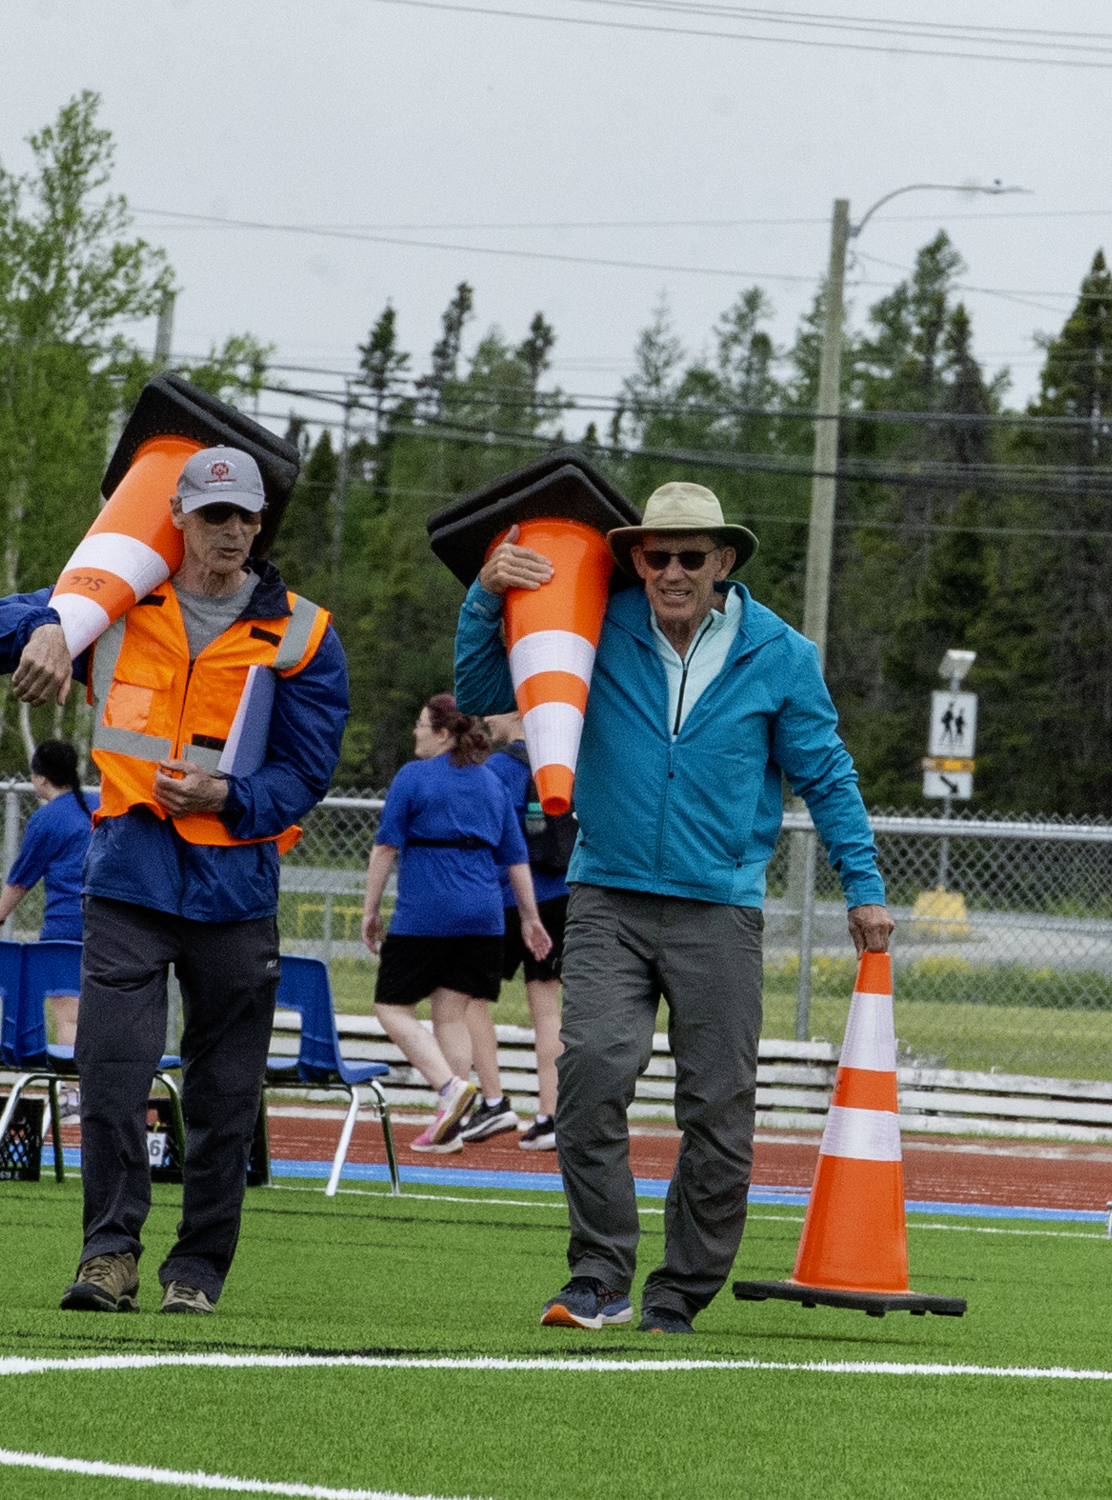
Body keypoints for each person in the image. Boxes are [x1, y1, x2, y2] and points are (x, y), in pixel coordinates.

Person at [457, 481, 891, 1335]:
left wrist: (865, 887)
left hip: (719, 910)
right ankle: (598, 1274)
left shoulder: (781, 654)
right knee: (590, 1074)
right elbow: (480, 686)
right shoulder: (593, 620)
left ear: (724, 560)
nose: (673, 571)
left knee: (720, 1110)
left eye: (693, 555)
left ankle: (679, 1292)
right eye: (657, 555)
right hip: (609, 892)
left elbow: (829, 779)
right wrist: (487, 594)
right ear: (637, 559)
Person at [0, 446, 348, 1316]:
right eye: (215, 516)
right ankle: (109, 1257)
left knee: (222, 1096)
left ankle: (197, 1273)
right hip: (129, 882)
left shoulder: (306, 634)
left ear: (260, 525)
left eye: (246, 517)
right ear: (176, 519)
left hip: (236, 891)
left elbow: (307, 773)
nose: (233, 532)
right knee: (110, 1076)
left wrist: (228, 794)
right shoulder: (118, 602)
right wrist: (55, 623)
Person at [361, 694, 551, 1153]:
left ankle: (449, 1089)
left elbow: (386, 847)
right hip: (484, 918)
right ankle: (450, 1122)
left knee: (391, 1008)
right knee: (450, 1013)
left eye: (421, 725)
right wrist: (530, 919)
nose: (415, 733)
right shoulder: (490, 783)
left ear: (443, 733)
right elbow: (515, 857)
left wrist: (370, 910)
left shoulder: (413, 777)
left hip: (427, 914)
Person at [482, 709, 572, 1150]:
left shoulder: (496, 768)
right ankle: (551, 1115)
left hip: (507, 899)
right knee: (547, 1009)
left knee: (463, 1001)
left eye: (495, 707)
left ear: (518, 712)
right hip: (558, 892)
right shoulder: (559, 765)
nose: (484, 715)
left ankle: (490, 1102)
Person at [0, 740, 98, 1077]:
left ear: (41, 779)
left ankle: (73, 1098)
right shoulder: (102, 806)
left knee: (69, 1018)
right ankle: (102, 1099)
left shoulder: (46, 819)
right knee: (103, 1016)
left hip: (64, 927)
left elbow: (21, 880)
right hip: (109, 924)